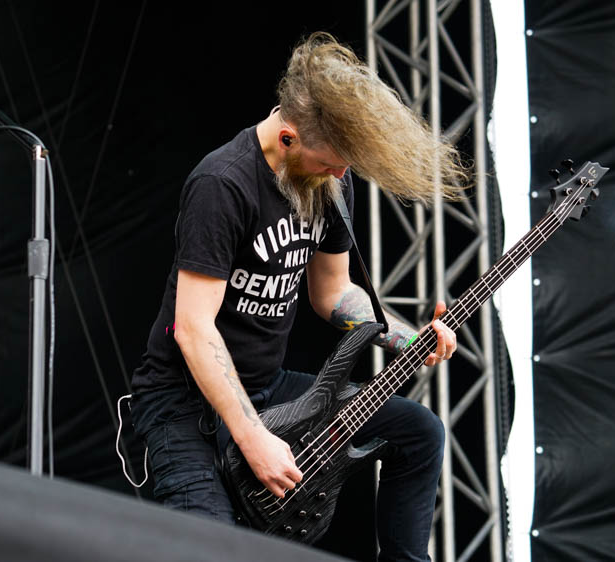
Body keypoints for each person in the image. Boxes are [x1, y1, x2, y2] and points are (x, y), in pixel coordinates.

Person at [130, 32, 467, 560]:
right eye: (331, 162)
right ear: (287, 138)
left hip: (269, 387)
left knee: (419, 432)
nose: (340, 174)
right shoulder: (223, 183)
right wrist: (252, 438)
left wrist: (407, 340)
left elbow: (332, 292)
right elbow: (193, 329)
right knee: (213, 547)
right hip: (184, 403)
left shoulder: (329, 181)